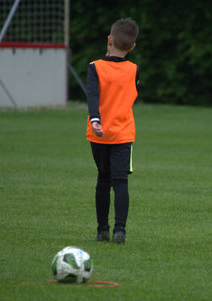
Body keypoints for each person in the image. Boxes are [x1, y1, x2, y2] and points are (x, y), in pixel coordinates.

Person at [85, 18, 139, 244]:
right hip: (123, 134)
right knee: (120, 182)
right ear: (132, 47)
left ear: (109, 39)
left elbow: (92, 95)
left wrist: (96, 119)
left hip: (99, 133)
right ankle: (120, 231)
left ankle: (102, 230)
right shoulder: (134, 70)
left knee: (103, 181)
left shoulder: (95, 67)